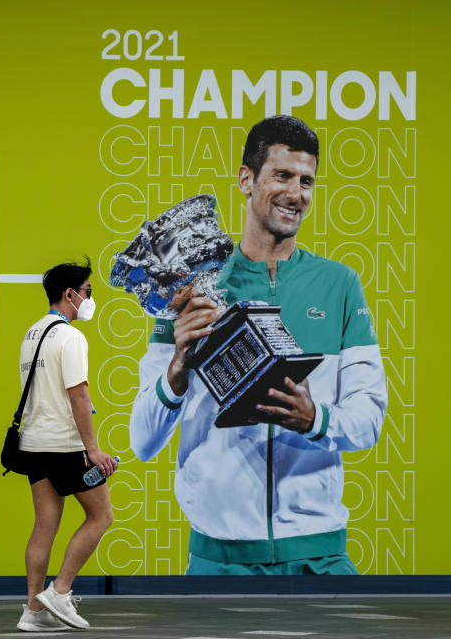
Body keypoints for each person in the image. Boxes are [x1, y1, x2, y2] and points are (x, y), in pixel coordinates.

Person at [129, 115, 387, 575]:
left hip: (319, 554)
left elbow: (369, 421)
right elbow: (143, 443)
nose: (296, 193)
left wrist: (316, 420)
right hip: (218, 559)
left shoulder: (340, 285)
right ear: (246, 180)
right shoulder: (191, 289)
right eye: (283, 175)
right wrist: (177, 369)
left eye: (307, 181)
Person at [16, 259, 117, 631]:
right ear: (69, 294)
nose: (90, 299)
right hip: (65, 445)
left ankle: (33, 611)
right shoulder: (71, 337)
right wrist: (93, 450)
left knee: (45, 525)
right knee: (101, 516)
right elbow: (78, 394)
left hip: (34, 443)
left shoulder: (32, 333)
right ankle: (59, 592)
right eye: (88, 292)